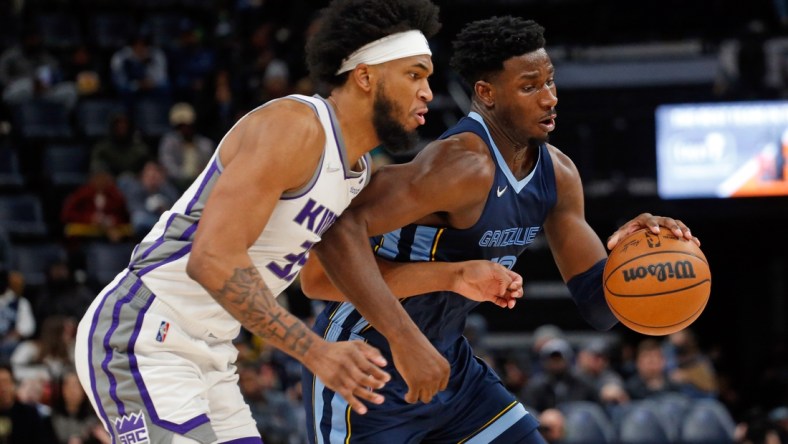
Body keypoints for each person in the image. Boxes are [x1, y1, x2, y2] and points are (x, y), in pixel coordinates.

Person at [74, 1, 522, 443]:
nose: (428, 90)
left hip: (212, 354)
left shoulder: (357, 169)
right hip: (143, 335)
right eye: (414, 74)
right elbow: (210, 259)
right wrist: (315, 351)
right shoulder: (295, 126)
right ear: (365, 77)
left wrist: (455, 275)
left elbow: (320, 281)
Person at [301, 16, 700, 441]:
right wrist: (414, 328)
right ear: (486, 94)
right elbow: (323, 256)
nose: (549, 98)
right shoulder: (457, 166)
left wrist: (637, 253)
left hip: (452, 371)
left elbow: (600, 309)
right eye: (530, 87)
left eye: (550, 82)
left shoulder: (558, 174)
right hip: (367, 364)